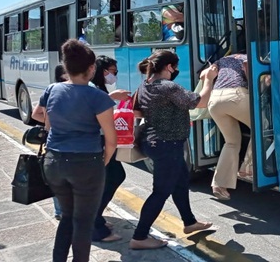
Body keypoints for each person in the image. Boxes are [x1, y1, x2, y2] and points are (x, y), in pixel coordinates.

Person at [31, 39, 117, 262]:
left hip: (54, 162)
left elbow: (40, 118)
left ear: (66, 67)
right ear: (91, 69)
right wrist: (103, 162)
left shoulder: (52, 89)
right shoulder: (99, 97)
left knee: (68, 216)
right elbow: (111, 141)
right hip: (86, 163)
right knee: (83, 221)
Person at [130, 50, 218, 250]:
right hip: (166, 144)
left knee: (180, 182)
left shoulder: (145, 85)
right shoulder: (168, 87)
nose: (176, 70)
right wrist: (208, 79)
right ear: (169, 67)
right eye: (175, 67)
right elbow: (200, 102)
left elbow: (137, 111)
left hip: (156, 142)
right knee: (161, 192)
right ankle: (139, 237)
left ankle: (189, 222)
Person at [89, 55, 130, 243]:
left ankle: (96, 219)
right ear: (103, 71)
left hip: (102, 140)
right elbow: (90, 110)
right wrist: (112, 98)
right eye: (112, 72)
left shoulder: (99, 88)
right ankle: (94, 224)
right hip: (97, 142)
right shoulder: (91, 88)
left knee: (112, 177)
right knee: (112, 177)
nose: (114, 76)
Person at [207, 53, 252, 201]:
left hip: (214, 100)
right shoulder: (245, 57)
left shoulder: (221, 59)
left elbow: (204, 75)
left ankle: (219, 185)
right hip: (235, 96)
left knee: (231, 142)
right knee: (262, 129)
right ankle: (247, 168)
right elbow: (248, 70)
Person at [50, 64, 69, 220]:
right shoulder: (78, 90)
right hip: (70, 146)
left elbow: (38, 114)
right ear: (63, 75)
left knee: (59, 183)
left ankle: (60, 212)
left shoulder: (52, 89)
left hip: (54, 144)